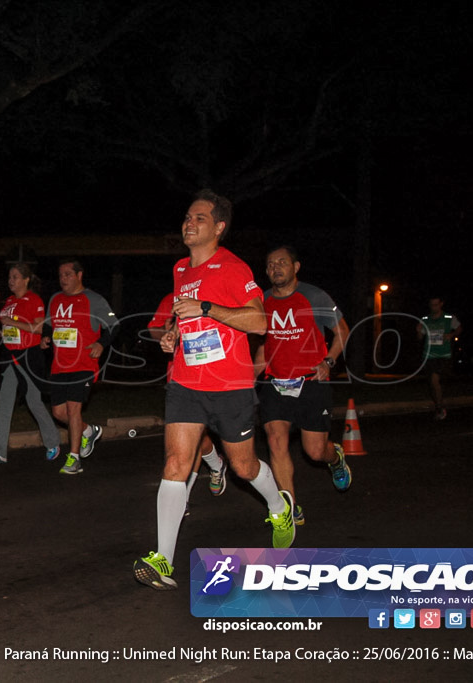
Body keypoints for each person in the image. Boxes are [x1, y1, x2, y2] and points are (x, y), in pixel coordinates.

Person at [134, 189, 294, 592]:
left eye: (200, 218)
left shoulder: (234, 268)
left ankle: (279, 507)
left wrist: (207, 308)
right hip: (186, 382)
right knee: (175, 464)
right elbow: (185, 321)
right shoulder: (180, 271)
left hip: (231, 386)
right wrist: (172, 335)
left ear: (219, 227)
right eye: (187, 217)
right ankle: (163, 561)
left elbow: (259, 323)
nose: (189, 223)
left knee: (243, 467)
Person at [253, 246, 353, 527]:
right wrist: (249, 376)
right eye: (271, 264)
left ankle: (335, 459)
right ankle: (290, 507)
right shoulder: (261, 301)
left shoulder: (314, 296)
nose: (276, 268)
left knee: (315, 451)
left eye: (282, 262)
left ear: (296, 267)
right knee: (275, 440)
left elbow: (342, 331)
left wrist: (329, 362)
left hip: (312, 383)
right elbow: (264, 347)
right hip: (275, 384)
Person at [146, 294, 227, 508]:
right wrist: (167, 334)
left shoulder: (220, 291)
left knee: (201, 439)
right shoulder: (172, 298)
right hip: (180, 379)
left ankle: (216, 466)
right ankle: (186, 496)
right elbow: (154, 328)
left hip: (214, 377)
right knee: (190, 441)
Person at [41, 259, 118, 474]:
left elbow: (114, 325)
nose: (63, 279)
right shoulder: (55, 299)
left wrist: (101, 344)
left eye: (67, 274)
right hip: (59, 364)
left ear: (79, 275)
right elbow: (49, 323)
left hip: (84, 363)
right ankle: (88, 430)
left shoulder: (93, 299)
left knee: (73, 410)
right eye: (60, 275)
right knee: (58, 412)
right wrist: (46, 337)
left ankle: (73, 459)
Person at [0, 263, 61, 464]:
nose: (11, 280)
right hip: (10, 356)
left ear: (26, 279)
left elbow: (38, 328)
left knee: (33, 400)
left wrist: (12, 323)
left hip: (29, 356)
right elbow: (10, 329)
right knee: (5, 399)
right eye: (9, 277)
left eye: (15, 277)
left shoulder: (34, 300)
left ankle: (53, 441)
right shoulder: (9, 301)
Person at [417, 296, 462, 420]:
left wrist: (451, 334)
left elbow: (459, 328)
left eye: (436, 304)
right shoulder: (425, 319)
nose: (434, 307)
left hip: (443, 355)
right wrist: (419, 331)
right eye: (432, 305)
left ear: (441, 304)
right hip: (429, 355)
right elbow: (420, 338)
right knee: (432, 383)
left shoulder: (449, 317)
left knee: (435, 379)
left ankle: (440, 407)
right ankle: (439, 405)